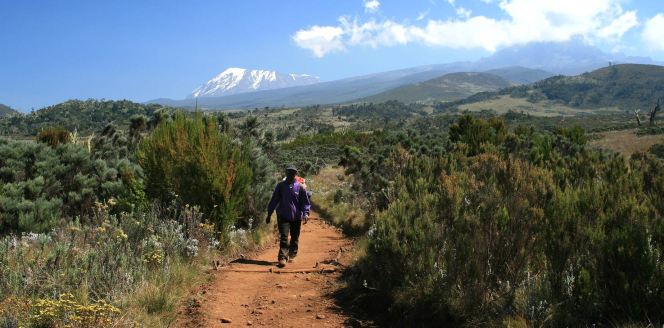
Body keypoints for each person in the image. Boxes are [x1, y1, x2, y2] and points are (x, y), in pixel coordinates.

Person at [266, 165, 311, 268]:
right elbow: (274, 200)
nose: (290, 174)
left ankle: (292, 254)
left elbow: (305, 202)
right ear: (286, 173)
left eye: (292, 173)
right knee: (284, 237)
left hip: (296, 217)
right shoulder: (281, 186)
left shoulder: (300, 187)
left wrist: (306, 213)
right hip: (283, 215)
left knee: (295, 238)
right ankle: (282, 257)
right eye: (288, 172)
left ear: (295, 174)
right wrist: (269, 213)